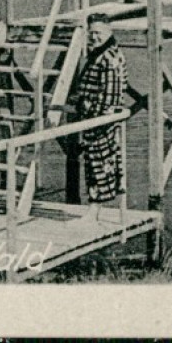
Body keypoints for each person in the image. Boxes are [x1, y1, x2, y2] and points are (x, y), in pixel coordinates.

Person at [67, 13, 129, 219]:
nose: (94, 37)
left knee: (100, 165)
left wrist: (94, 119)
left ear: (109, 32)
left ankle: (94, 214)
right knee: (96, 166)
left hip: (101, 122)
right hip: (93, 119)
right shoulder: (99, 54)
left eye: (99, 33)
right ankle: (94, 212)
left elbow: (109, 99)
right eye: (91, 33)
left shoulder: (109, 59)